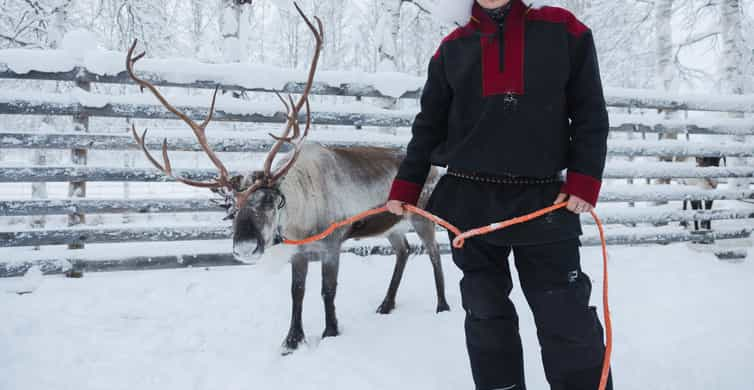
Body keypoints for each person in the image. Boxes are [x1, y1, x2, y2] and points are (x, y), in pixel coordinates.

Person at [385, 0, 613, 389]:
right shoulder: (452, 48)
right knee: (486, 315)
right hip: (467, 202)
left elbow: (589, 110)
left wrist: (584, 179)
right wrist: (406, 185)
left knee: (565, 314)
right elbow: (428, 126)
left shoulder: (564, 30)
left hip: (546, 201)